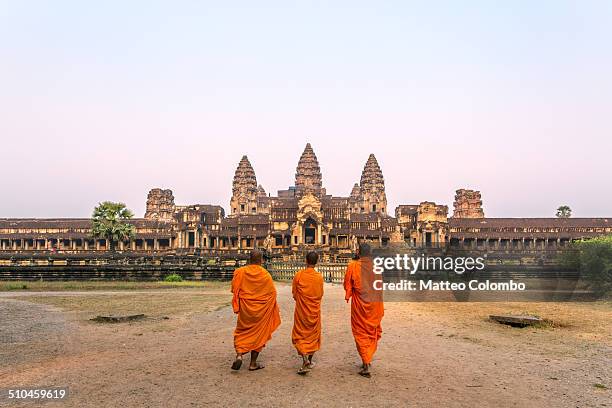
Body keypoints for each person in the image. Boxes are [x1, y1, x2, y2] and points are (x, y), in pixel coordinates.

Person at [230, 250, 281, 371]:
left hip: (246, 310)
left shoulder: (240, 272)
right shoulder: (265, 275)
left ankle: (239, 355)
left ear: (249, 259)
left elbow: (234, 289)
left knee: (242, 331)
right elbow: (272, 293)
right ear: (262, 260)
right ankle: (252, 363)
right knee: (259, 334)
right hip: (261, 311)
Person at [343, 243, 384, 378]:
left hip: (360, 306)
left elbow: (347, 285)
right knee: (371, 331)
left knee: (360, 333)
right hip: (373, 305)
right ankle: (367, 358)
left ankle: (366, 362)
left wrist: (349, 292)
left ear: (359, 252)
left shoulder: (352, 266)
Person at [291, 251, 324, 375]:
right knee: (313, 335)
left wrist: (302, 301)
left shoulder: (299, 275)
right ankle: (309, 360)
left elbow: (294, 294)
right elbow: (320, 294)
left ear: (306, 261)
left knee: (300, 334)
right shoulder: (319, 277)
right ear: (317, 262)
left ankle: (305, 359)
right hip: (314, 311)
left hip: (301, 311)